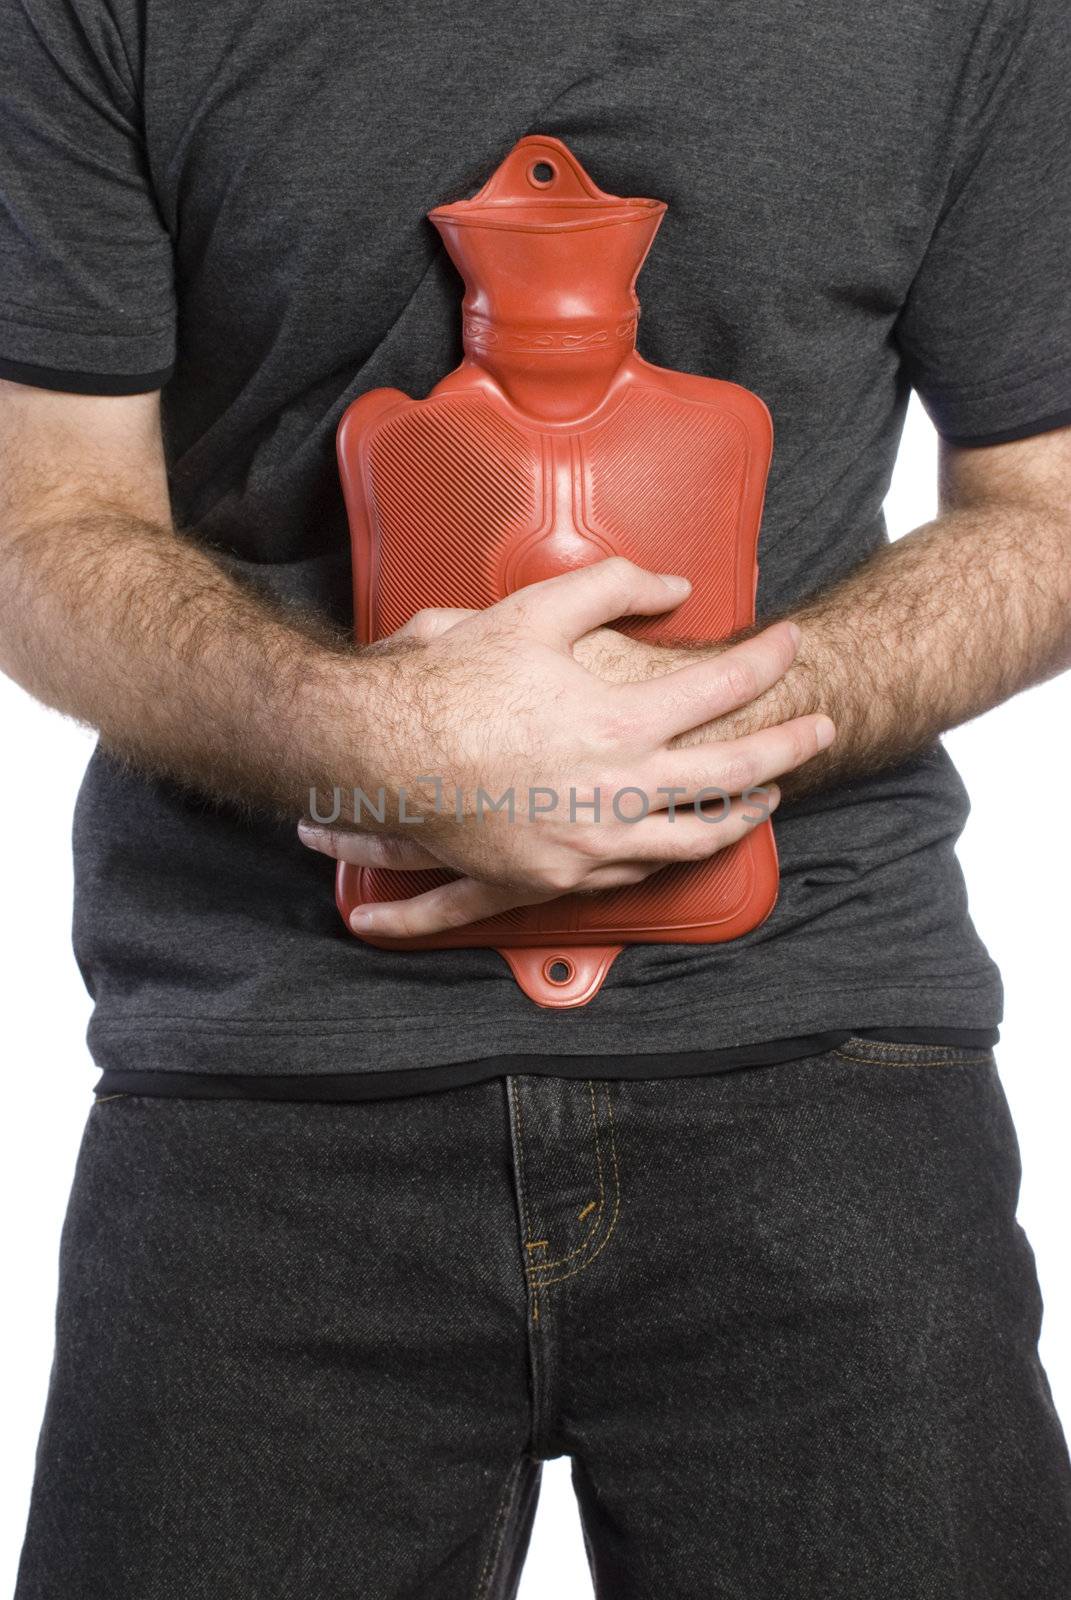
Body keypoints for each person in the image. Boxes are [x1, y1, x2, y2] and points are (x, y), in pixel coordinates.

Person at [3, 0, 1070, 1594]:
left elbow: (1048, 511)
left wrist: (691, 736)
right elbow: (38, 527)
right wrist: (363, 731)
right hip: (267, 1105)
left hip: (827, 1081)